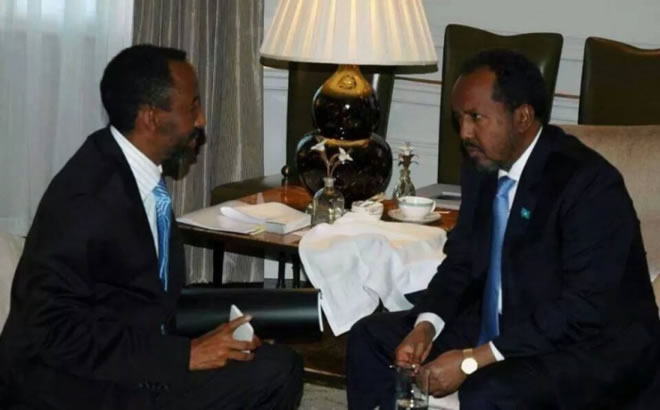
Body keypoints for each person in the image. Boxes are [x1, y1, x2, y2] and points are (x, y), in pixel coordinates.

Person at [346, 49, 660, 409]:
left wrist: (473, 360)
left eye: (476, 117)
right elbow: (461, 262)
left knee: (489, 390)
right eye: (459, 119)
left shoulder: (587, 183)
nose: (464, 133)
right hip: (505, 322)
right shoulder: (482, 165)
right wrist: (425, 327)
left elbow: (583, 308)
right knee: (370, 338)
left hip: (589, 347)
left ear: (522, 117)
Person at [0, 44, 303, 409]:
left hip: (127, 353)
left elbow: (150, 295)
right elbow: (50, 330)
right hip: (69, 385)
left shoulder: (133, 171)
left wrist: (222, 332)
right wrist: (183, 356)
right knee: (273, 374)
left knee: (272, 361)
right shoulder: (86, 199)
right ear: (151, 118)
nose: (201, 120)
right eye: (192, 106)